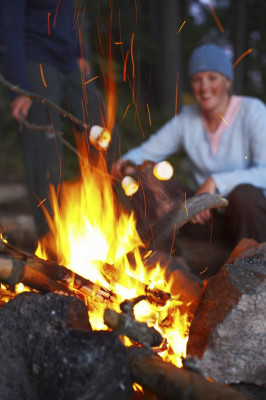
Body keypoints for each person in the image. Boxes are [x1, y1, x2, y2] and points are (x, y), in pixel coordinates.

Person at [112, 44, 266, 247]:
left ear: (227, 81)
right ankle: (165, 262)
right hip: (205, 219)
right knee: (143, 180)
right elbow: (146, 152)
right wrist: (125, 163)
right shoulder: (187, 120)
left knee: (245, 195)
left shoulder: (253, 111)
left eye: (212, 78)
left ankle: (253, 268)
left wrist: (215, 182)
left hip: (250, 218)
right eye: (197, 79)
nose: (204, 87)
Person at [0, 0, 106, 240]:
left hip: (69, 60)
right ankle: (51, 244)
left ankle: (129, 228)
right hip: (35, 57)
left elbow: (68, 12)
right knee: (46, 152)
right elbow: (9, 26)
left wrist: (78, 51)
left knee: (103, 135)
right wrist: (19, 87)